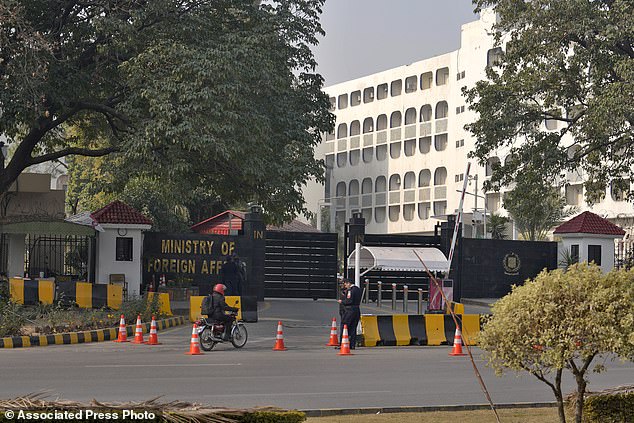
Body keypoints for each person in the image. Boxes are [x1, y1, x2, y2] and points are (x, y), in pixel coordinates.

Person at [338, 278, 361, 349]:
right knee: (353, 327)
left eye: (345, 284)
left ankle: (343, 343)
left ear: (349, 283)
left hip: (349, 310)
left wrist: (342, 302)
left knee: (344, 326)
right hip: (357, 310)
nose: (345, 285)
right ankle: (352, 344)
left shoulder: (350, 291)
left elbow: (349, 300)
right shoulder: (358, 289)